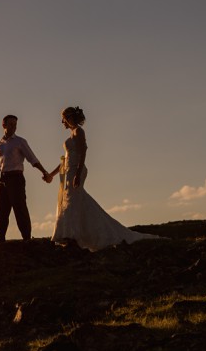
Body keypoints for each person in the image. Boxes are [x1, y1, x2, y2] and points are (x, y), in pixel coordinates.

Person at [44, 106, 162, 250]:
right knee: (73, 203)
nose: (62, 121)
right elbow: (65, 160)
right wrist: (51, 174)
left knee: (73, 202)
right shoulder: (71, 136)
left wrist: (78, 173)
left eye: (63, 118)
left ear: (69, 118)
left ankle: (74, 236)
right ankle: (71, 235)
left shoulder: (78, 132)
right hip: (68, 171)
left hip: (76, 171)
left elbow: (83, 153)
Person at [0, 114, 51, 242]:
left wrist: (44, 171)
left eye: (15, 124)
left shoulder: (20, 142)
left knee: (20, 208)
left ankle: (26, 237)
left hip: (16, 178)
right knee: (2, 210)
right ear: (3, 125)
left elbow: (32, 158)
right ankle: (0, 238)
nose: (14, 127)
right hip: (3, 179)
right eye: (11, 124)